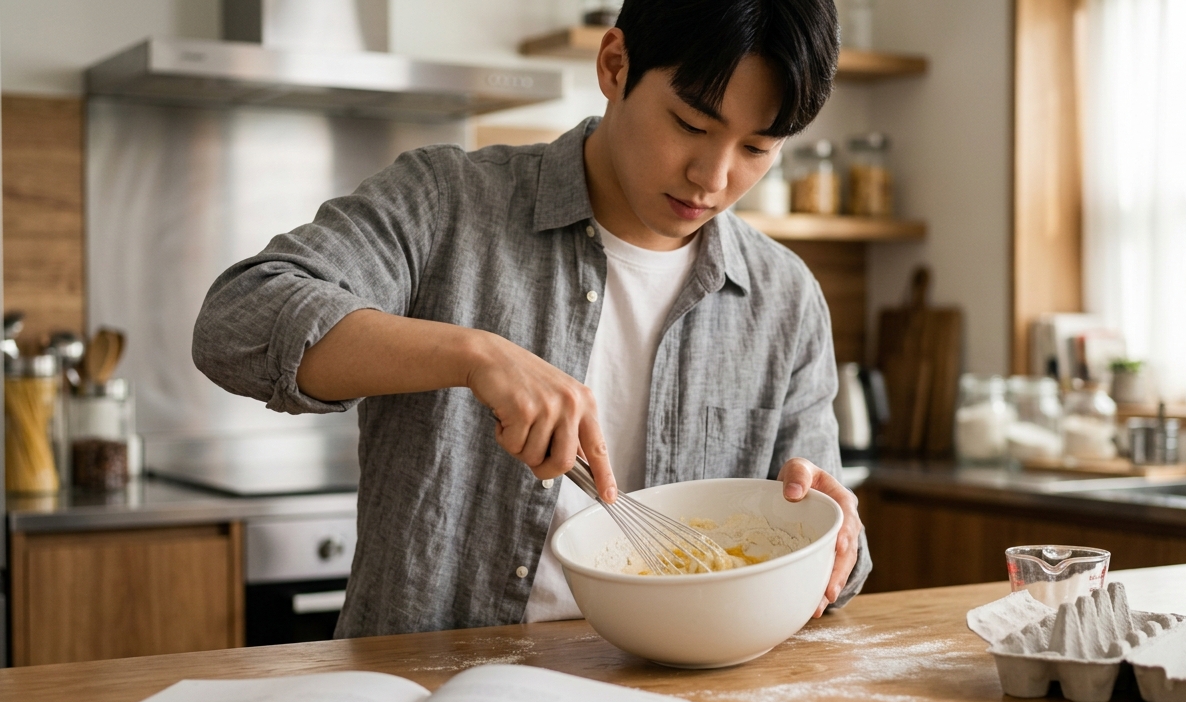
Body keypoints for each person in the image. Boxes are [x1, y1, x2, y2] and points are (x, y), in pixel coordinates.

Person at [194, 0, 870, 638]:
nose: (712, 177)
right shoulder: (447, 201)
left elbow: (836, 563)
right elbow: (237, 319)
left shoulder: (784, 298)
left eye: (757, 148)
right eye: (691, 125)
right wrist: (474, 355)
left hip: (663, 699)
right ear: (614, 66)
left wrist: (832, 532)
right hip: (431, 693)